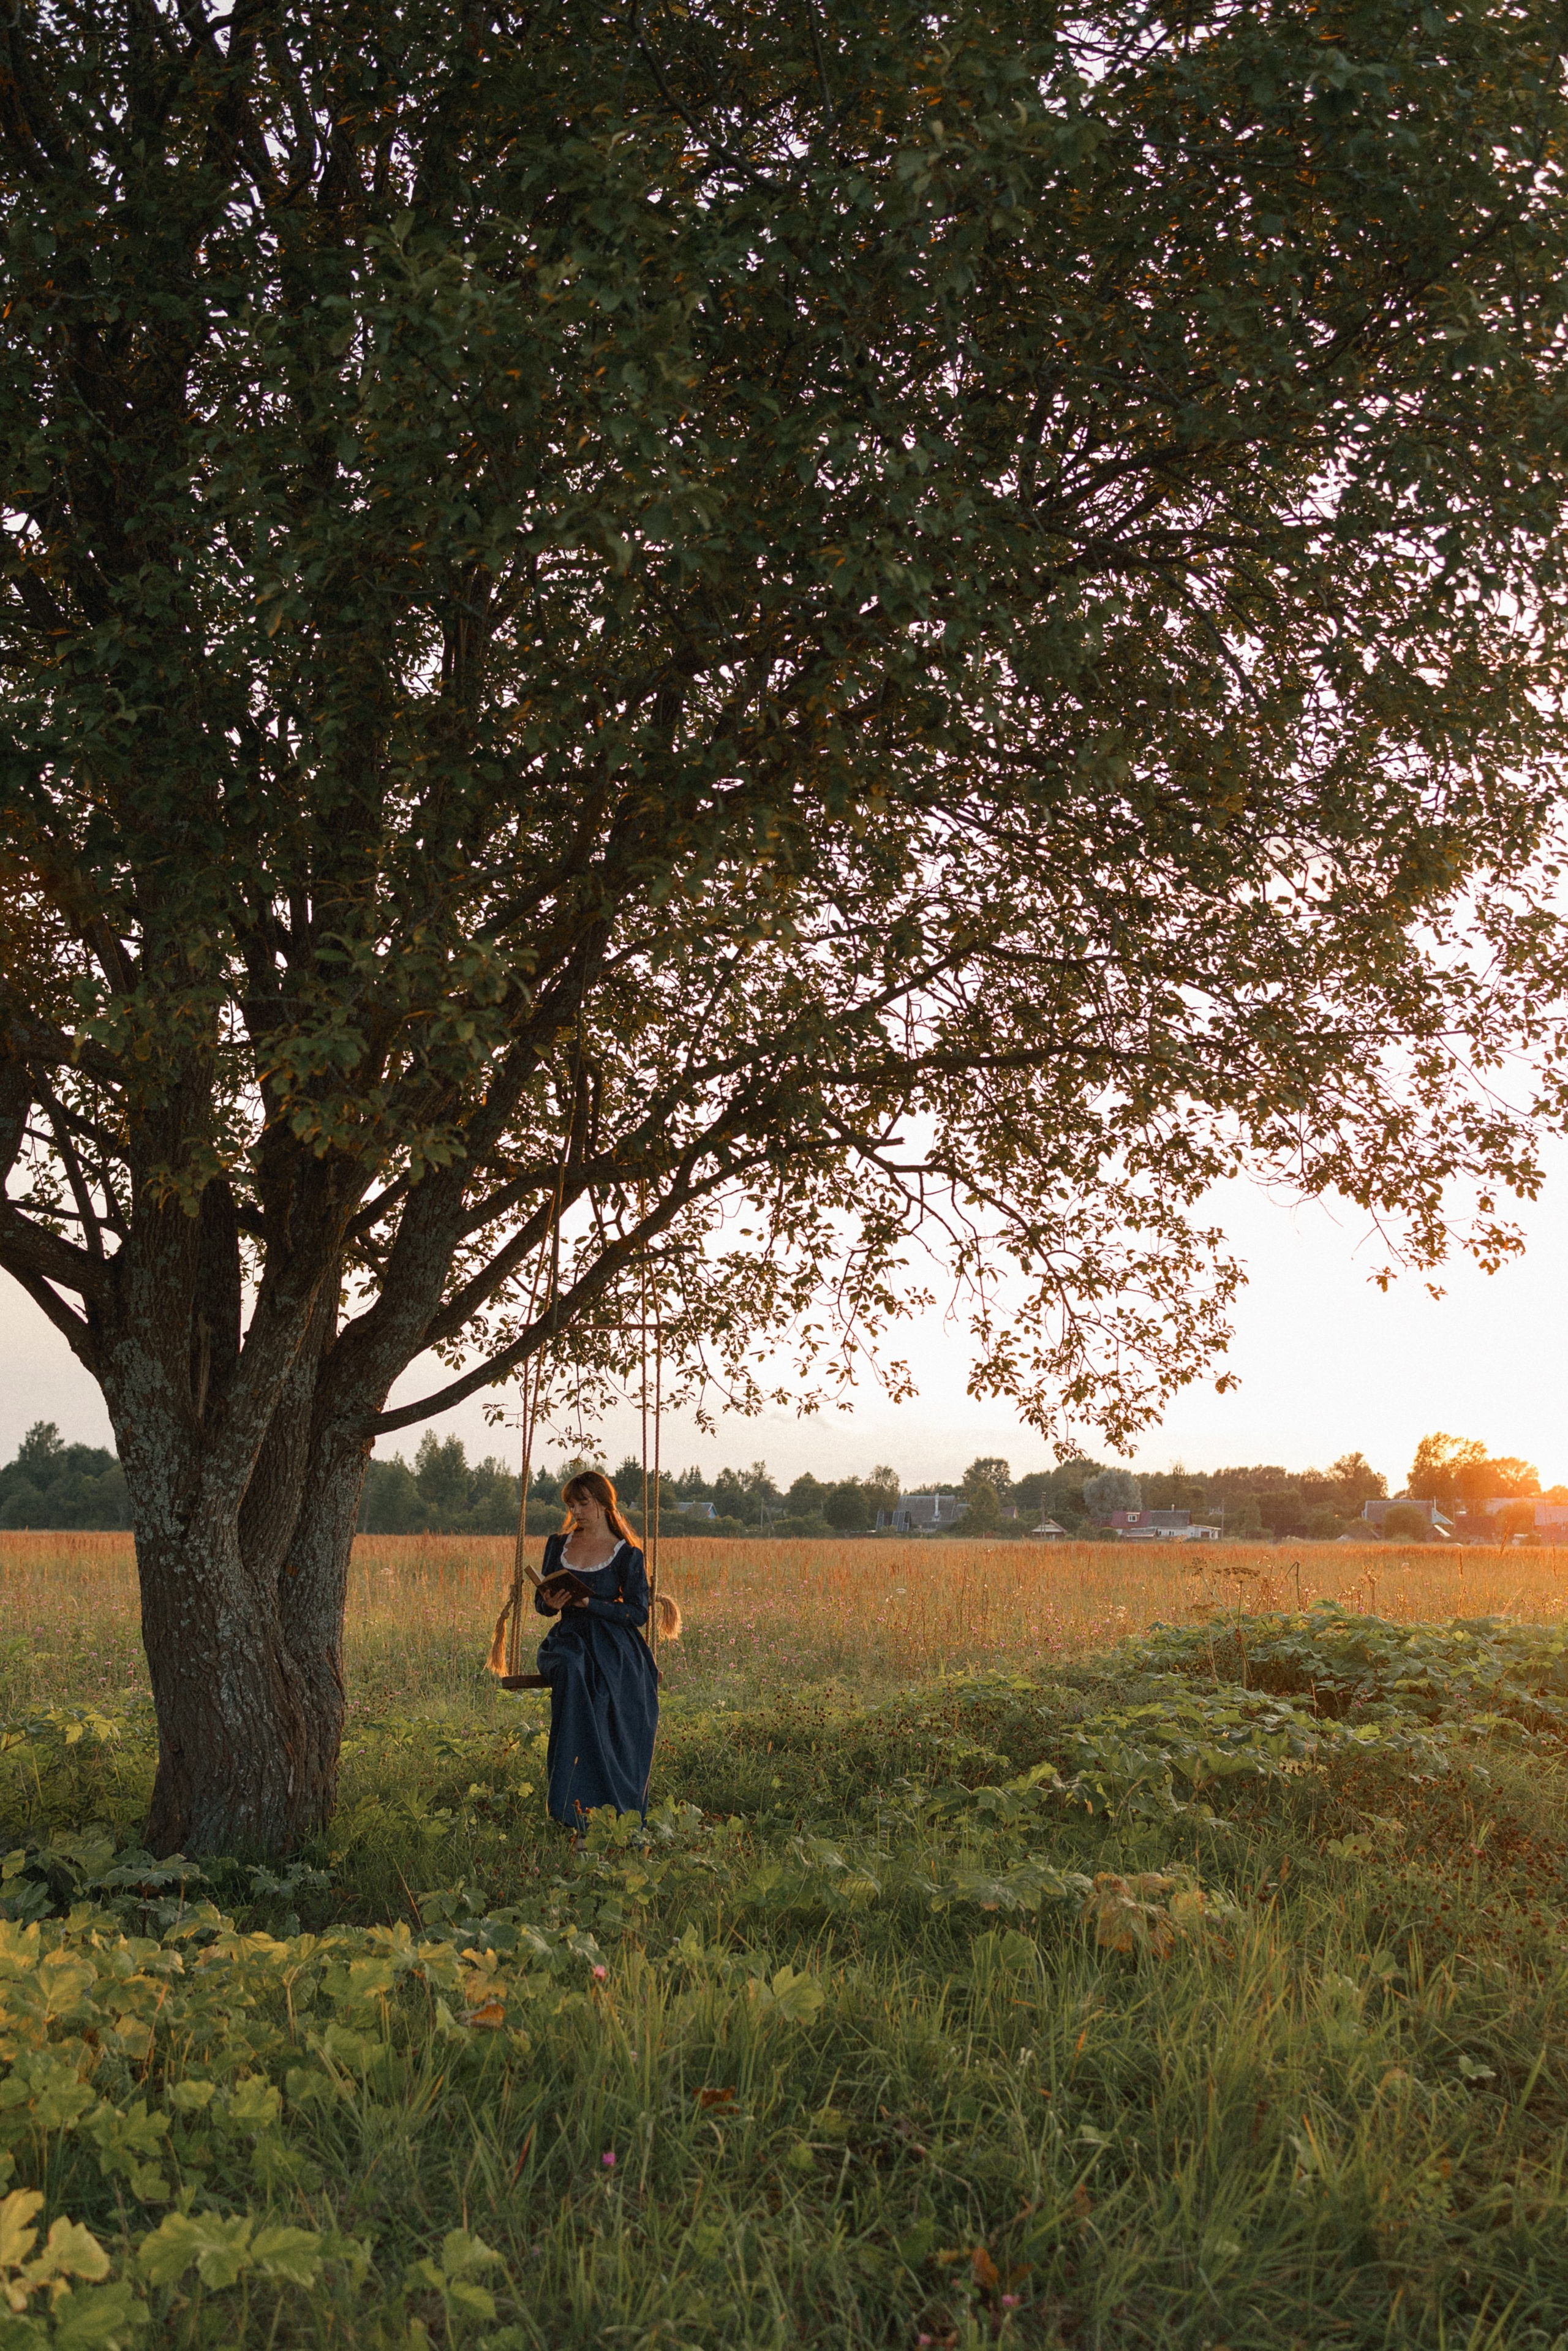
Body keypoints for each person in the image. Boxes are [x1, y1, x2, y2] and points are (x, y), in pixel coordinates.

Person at [530, 1470, 666, 1840]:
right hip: (569, 1638)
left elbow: (638, 1613)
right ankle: (571, 1806)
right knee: (572, 1669)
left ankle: (613, 1811)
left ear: (604, 1504)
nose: (576, 1511)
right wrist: (550, 1603)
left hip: (615, 1644)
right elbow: (542, 1606)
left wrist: (591, 1603)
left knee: (611, 1696)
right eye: (571, 1505)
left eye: (583, 1503)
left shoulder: (627, 1554)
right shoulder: (558, 1545)